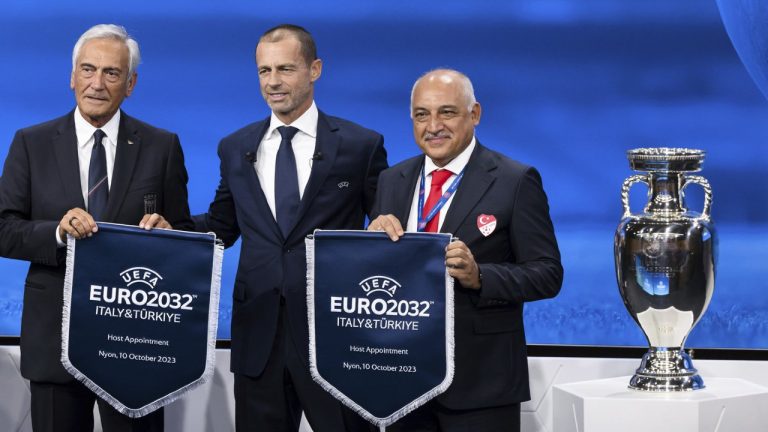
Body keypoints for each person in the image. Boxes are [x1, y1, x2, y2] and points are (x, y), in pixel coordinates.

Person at [194, 24, 387, 431]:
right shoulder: (235, 146)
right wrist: (169, 228)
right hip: (259, 337)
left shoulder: (360, 145)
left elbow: (384, 225)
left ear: (314, 70)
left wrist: (390, 223)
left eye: (285, 69)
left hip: (335, 340)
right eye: (264, 71)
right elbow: (221, 227)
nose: (273, 82)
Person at [0, 24, 192, 431]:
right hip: (55, 341)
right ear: (72, 77)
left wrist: (169, 232)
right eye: (88, 70)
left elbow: (185, 234)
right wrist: (55, 231)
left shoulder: (162, 146)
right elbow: (4, 228)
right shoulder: (30, 143)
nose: (97, 84)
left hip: (136, 345)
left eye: (112, 73)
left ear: (131, 83)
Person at [368, 69, 563, 432]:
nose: (433, 126)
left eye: (447, 112)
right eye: (421, 114)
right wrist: (370, 246)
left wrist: (481, 276)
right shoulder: (392, 180)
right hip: (401, 379)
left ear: (474, 114)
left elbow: (548, 273)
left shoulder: (515, 180)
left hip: (480, 387)